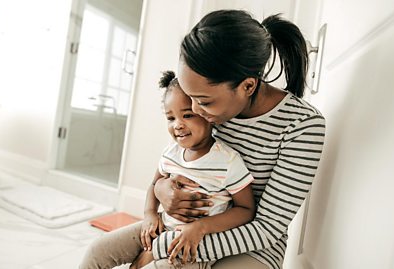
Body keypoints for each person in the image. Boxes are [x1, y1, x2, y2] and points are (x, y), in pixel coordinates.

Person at [140, 10, 326, 269]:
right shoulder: (213, 108)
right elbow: (172, 165)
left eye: (203, 101)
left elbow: (266, 229)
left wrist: (160, 247)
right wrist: (161, 190)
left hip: (252, 246)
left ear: (248, 86)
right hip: (180, 229)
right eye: (190, 96)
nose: (193, 110)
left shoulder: (302, 126)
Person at [80, 71, 256, 269]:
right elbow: (155, 184)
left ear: (207, 114)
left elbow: (246, 210)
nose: (178, 125)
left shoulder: (227, 161)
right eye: (170, 118)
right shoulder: (170, 153)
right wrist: (150, 215)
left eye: (187, 115)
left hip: (194, 246)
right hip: (161, 227)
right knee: (97, 250)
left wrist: (200, 227)